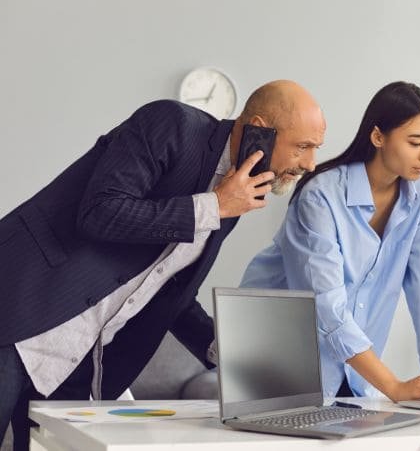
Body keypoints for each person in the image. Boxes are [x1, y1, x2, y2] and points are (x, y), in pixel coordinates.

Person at [0, 80, 326, 451]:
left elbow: (170, 290)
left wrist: (233, 352)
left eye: (316, 148)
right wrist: (213, 206)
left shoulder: (237, 192)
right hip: (19, 316)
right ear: (259, 129)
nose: (310, 164)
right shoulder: (172, 124)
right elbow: (100, 211)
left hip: (75, 361)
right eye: (303, 147)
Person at [241, 81, 420, 401]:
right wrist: (394, 386)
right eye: (415, 142)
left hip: (355, 376)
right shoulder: (320, 196)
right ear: (378, 137)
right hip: (275, 361)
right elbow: (327, 308)